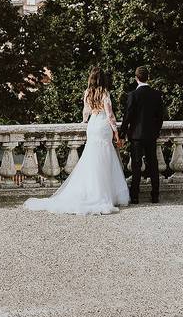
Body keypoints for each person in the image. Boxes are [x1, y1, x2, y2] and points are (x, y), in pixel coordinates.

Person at [24, 66, 129, 215]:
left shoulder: (87, 93)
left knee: (92, 157)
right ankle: (106, 193)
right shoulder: (105, 93)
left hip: (92, 126)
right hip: (103, 125)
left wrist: (84, 121)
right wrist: (116, 132)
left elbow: (86, 111)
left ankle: (92, 191)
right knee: (105, 158)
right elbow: (110, 115)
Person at [120, 66, 167, 204]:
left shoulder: (133, 95)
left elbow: (127, 116)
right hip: (151, 135)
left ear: (136, 78)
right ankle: (155, 195)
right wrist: (156, 131)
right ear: (149, 77)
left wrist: (122, 133)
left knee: (136, 166)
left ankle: (135, 196)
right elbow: (160, 117)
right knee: (153, 164)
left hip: (136, 136)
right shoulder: (156, 94)